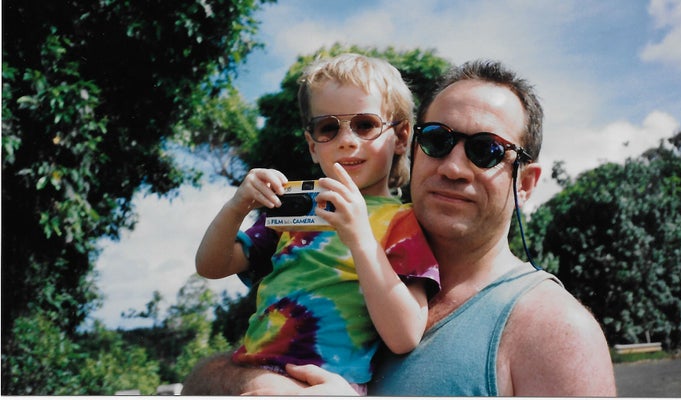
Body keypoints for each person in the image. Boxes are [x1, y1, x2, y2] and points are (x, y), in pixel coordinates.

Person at [183, 59, 617, 396]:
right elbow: (213, 274)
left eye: (485, 150)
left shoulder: (557, 331)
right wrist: (252, 385)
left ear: (524, 183)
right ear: (416, 144)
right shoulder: (309, 212)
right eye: (439, 139)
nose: (452, 167)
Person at [190, 53, 440, 395]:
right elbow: (211, 265)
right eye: (328, 127)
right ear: (312, 146)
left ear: (400, 137)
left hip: (325, 384)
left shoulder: (404, 221)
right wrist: (237, 207)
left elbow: (405, 335)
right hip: (252, 368)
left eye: (365, 124)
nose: (347, 139)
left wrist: (360, 238)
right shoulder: (299, 209)